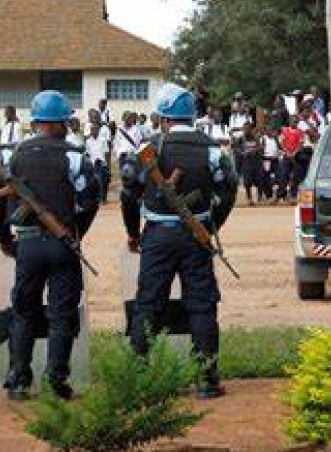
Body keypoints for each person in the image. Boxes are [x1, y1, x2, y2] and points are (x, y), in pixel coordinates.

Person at [120, 84, 238, 399]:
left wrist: (133, 232)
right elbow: (228, 190)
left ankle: (139, 378)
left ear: (163, 117)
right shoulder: (213, 149)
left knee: (148, 303)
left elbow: (128, 193)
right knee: (201, 304)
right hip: (195, 235)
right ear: (192, 115)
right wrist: (212, 226)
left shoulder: (150, 147)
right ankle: (206, 379)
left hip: (157, 237)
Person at [1, 91, 100, 400]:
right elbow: (88, 201)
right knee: (62, 314)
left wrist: (5, 240)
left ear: (36, 121)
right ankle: (56, 379)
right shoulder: (73, 156)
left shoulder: (15, 156)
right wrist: (75, 233)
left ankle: (18, 379)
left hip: (27, 245)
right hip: (63, 246)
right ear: (59, 123)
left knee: (24, 311)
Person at [84, 122, 111, 203]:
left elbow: (106, 153)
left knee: (103, 181)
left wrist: (107, 164)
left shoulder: (103, 140)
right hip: (92, 163)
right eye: (92, 130)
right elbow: (87, 154)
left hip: (102, 163)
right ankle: (96, 198)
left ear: (99, 130)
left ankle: (103, 198)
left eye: (96, 130)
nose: (94, 131)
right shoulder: (88, 141)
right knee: (94, 181)